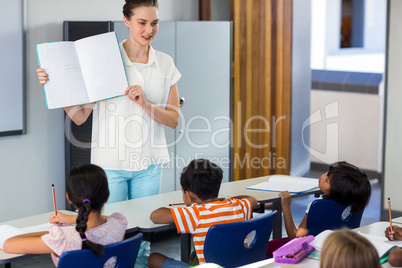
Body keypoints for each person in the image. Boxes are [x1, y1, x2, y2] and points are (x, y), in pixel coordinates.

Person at [36, 0, 181, 204]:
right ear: (126, 21)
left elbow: (173, 120)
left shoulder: (165, 62)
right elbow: (79, 117)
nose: (149, 29)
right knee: (113, 231)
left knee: (146, 227)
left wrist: (145, 103)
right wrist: (54, 85)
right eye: (142, 23)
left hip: (150, 164)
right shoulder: (105, 60)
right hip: (111, 165)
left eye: (154, 23)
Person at [3, 164, 127, 267]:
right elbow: (104, 218)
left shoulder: (62, 239)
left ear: (69, 198)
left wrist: (48, 232)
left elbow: (8, 244)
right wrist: (72, 219)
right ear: (107, 197)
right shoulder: (119, 223)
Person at [147, 159, 258, 268]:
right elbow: (252, 199)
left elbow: (155, 216)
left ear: (190, 195)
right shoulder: (239, 206)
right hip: (241, 264)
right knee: (195, 252)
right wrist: (222, 199)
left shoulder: (195, 213)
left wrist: (189, 205)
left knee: (153, 259)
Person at [267, 161, 371, 254]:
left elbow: (295, 238)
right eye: (326, 172)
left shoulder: (318, 206)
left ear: (336, 191)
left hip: (312, 250)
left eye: (326, 180)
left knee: (268, 246)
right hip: (338, 248)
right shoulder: (356, 201)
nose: (322, 176)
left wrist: (286, 207)